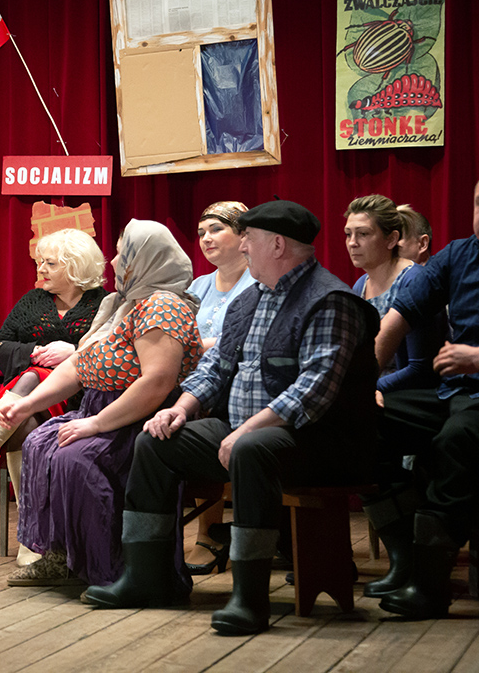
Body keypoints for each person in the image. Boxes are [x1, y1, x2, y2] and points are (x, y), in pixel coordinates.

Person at [82, 200, 380, 636]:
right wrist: (179, 408)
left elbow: (313, 392)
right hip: (245, 431)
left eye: (249, 239)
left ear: (277, 245)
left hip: (319, 440)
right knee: (156, 442)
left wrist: (246, 430)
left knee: (252, 449)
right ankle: (147, 579)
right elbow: (215, 368)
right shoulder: (250, 300)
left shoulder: (329, 301)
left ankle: (250, 597)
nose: (242, 248)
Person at [0, 220, 204, 588]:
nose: (115, 261)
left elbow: (157, 382)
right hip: (99, 407)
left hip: (138, 416)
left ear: (146, 260)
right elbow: (77, 365)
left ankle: (107, 565)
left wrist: (95, 424)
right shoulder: (120, 304)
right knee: (39, 442)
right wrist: (27, 405)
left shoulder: (163, 306)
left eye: (124, 254)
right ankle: (61, 555)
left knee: (74, 457)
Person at [367, 166, 479, 620]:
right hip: (456, 392)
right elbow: (398, 318)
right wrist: (362, 384)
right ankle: (405, 556)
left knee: (458, 437)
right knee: (365, 422)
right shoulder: (457, 255)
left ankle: (430, 587)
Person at [0, 229, 106, 565]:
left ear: (75, 266)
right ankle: (33, 536)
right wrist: (35, 351)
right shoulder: (32, 301)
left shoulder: (104, 303)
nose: (41, 268)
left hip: (82, 398)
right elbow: (1, 347)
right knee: (26, 410)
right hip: (32, 403)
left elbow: (115, 350)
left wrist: (72, 352)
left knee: (32, 378)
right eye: (40, 262)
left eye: (50, 263)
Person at [185, 201, 255, 575]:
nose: (206, 238)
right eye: (201, 232)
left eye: (216, 229)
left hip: (240, 384)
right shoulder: (197, 286)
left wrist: (193, 346)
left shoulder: (258, 282)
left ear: (243, 234)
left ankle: (211, 534)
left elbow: (241, 341)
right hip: (194, 379)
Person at [345, 194, 444, 396]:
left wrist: (361, 391)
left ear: (391, 239)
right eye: (348, 234)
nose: (352, 243)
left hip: (413, 395)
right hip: (373, 389)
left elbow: (420, 370)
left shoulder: (415, 280)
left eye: (363, 234)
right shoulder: (360, 285)